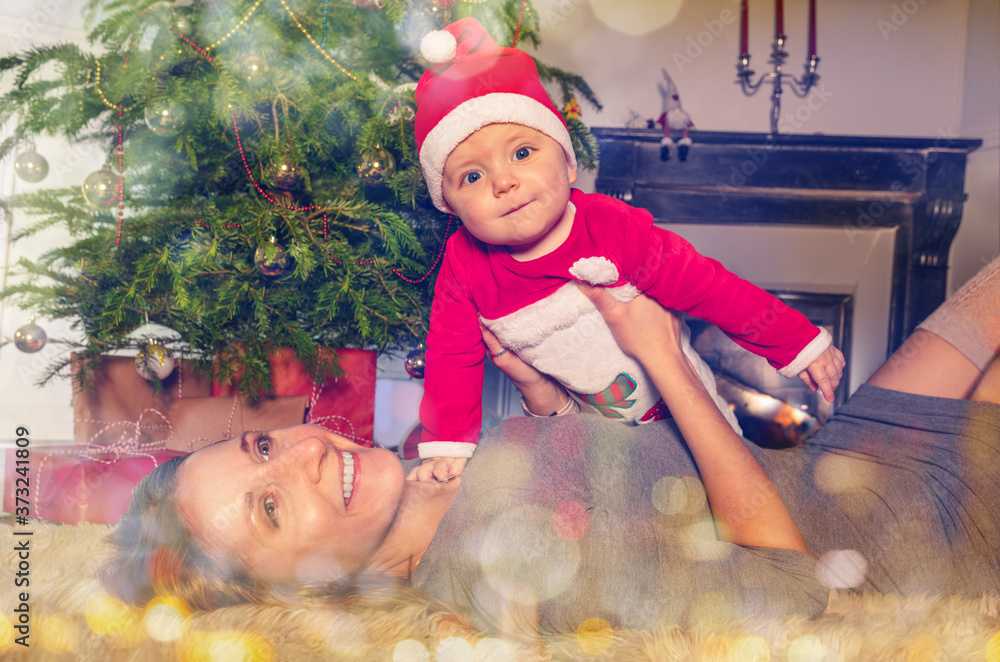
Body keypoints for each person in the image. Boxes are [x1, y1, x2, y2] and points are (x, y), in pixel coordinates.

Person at [102, 257, 1000, 636]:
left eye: (260, 443)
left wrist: (544, 396)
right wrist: (665, 363)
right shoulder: (505, 573)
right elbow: (786, 578)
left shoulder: (435, 479)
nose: (298, 453)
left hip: (864, 454)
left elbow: (630, 480)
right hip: (923, 534)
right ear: (298, 590)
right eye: (270, 506)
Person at [411, 17, 845, 481]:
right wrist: (449, 444)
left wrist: (798, 343)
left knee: (720, 503)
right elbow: (451, 356)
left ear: (568, 163)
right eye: (472, 177)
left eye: (522, 153)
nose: (503, 181)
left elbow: (710, 288)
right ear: (450, 206)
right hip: (592, 446)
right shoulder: (464, 264)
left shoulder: (611, 227)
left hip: (692, 418)